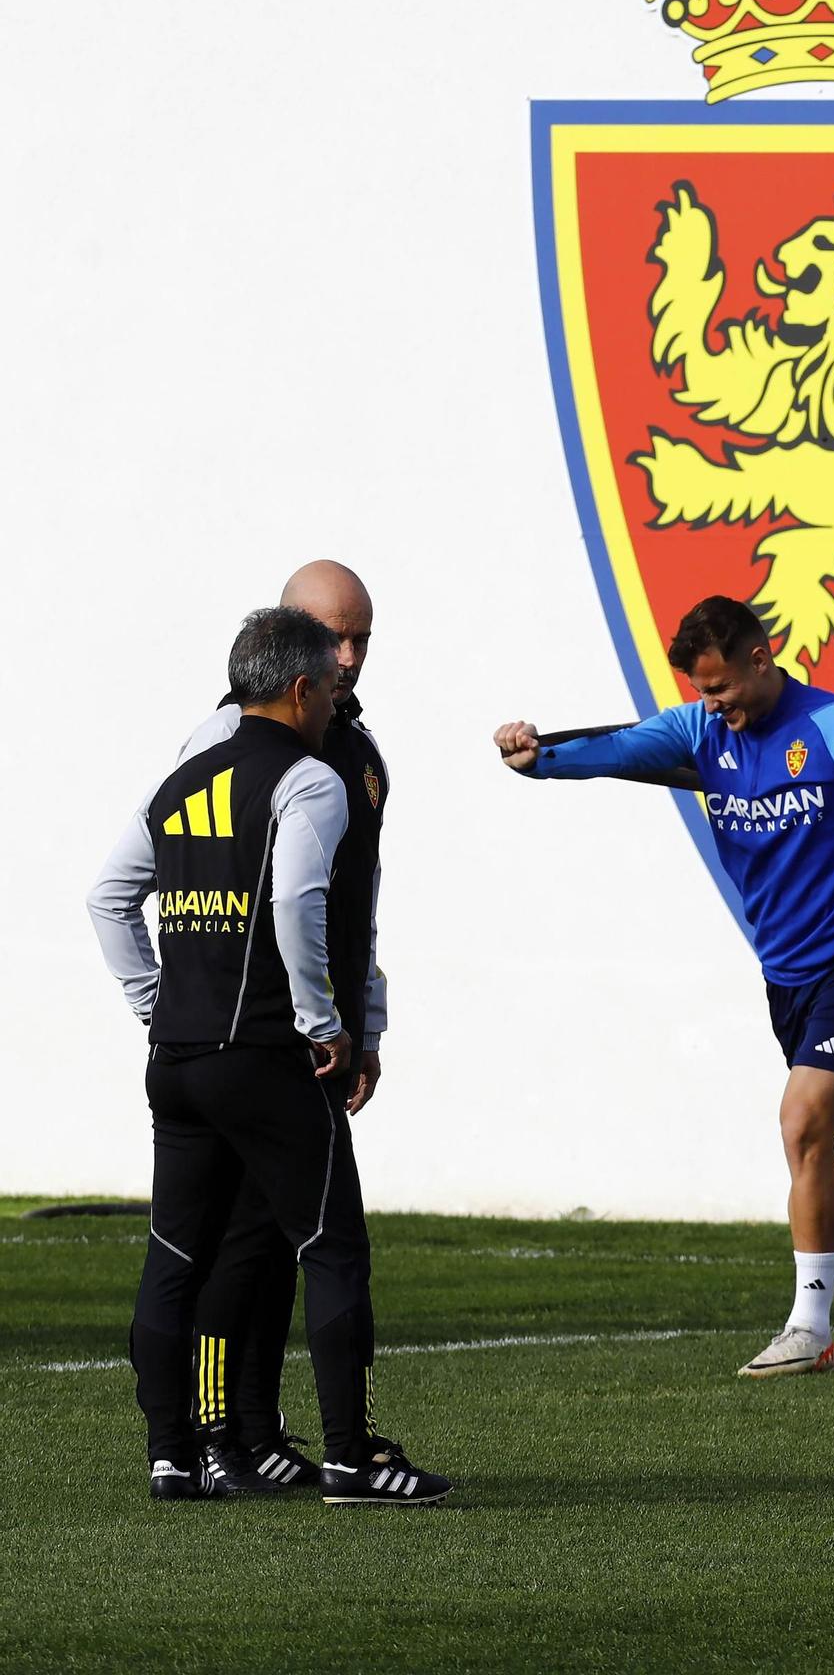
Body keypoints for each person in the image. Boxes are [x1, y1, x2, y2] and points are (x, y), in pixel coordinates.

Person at [494, 594, 834, 1378]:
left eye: (720, 686)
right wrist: (535, 756)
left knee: (802, 1125)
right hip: (784, 976)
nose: (711, 703)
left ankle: (809, 1327)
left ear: (761, 658)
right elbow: (617, 749)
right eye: (700, 690)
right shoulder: (699, 733)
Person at [87, 606, 448, 1505]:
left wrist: (151, 1003)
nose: (339, 699)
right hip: (261, 1052)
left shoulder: (180, 778)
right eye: (329, 684)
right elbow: (297, 903)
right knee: (330, 1248)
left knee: (175, 1254)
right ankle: (352, 1460)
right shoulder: (309, 778)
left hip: (175, 1060)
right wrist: (325, 1023)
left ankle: (172, 1456)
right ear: (298, 690)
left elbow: (106, 897)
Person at [178, 562, 390, 1486]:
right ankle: (222, 1431)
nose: (346, 658)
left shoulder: (358, 751)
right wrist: (178, 1010)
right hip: (253, 1035)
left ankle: (253, 1437)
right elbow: (168, 881)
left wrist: (363, 1019)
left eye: (362, 640)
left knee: (273, 1233)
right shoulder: (224, 740)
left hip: (313, 1033)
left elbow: (355, 904)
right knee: (242, 1238)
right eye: (331, 637)